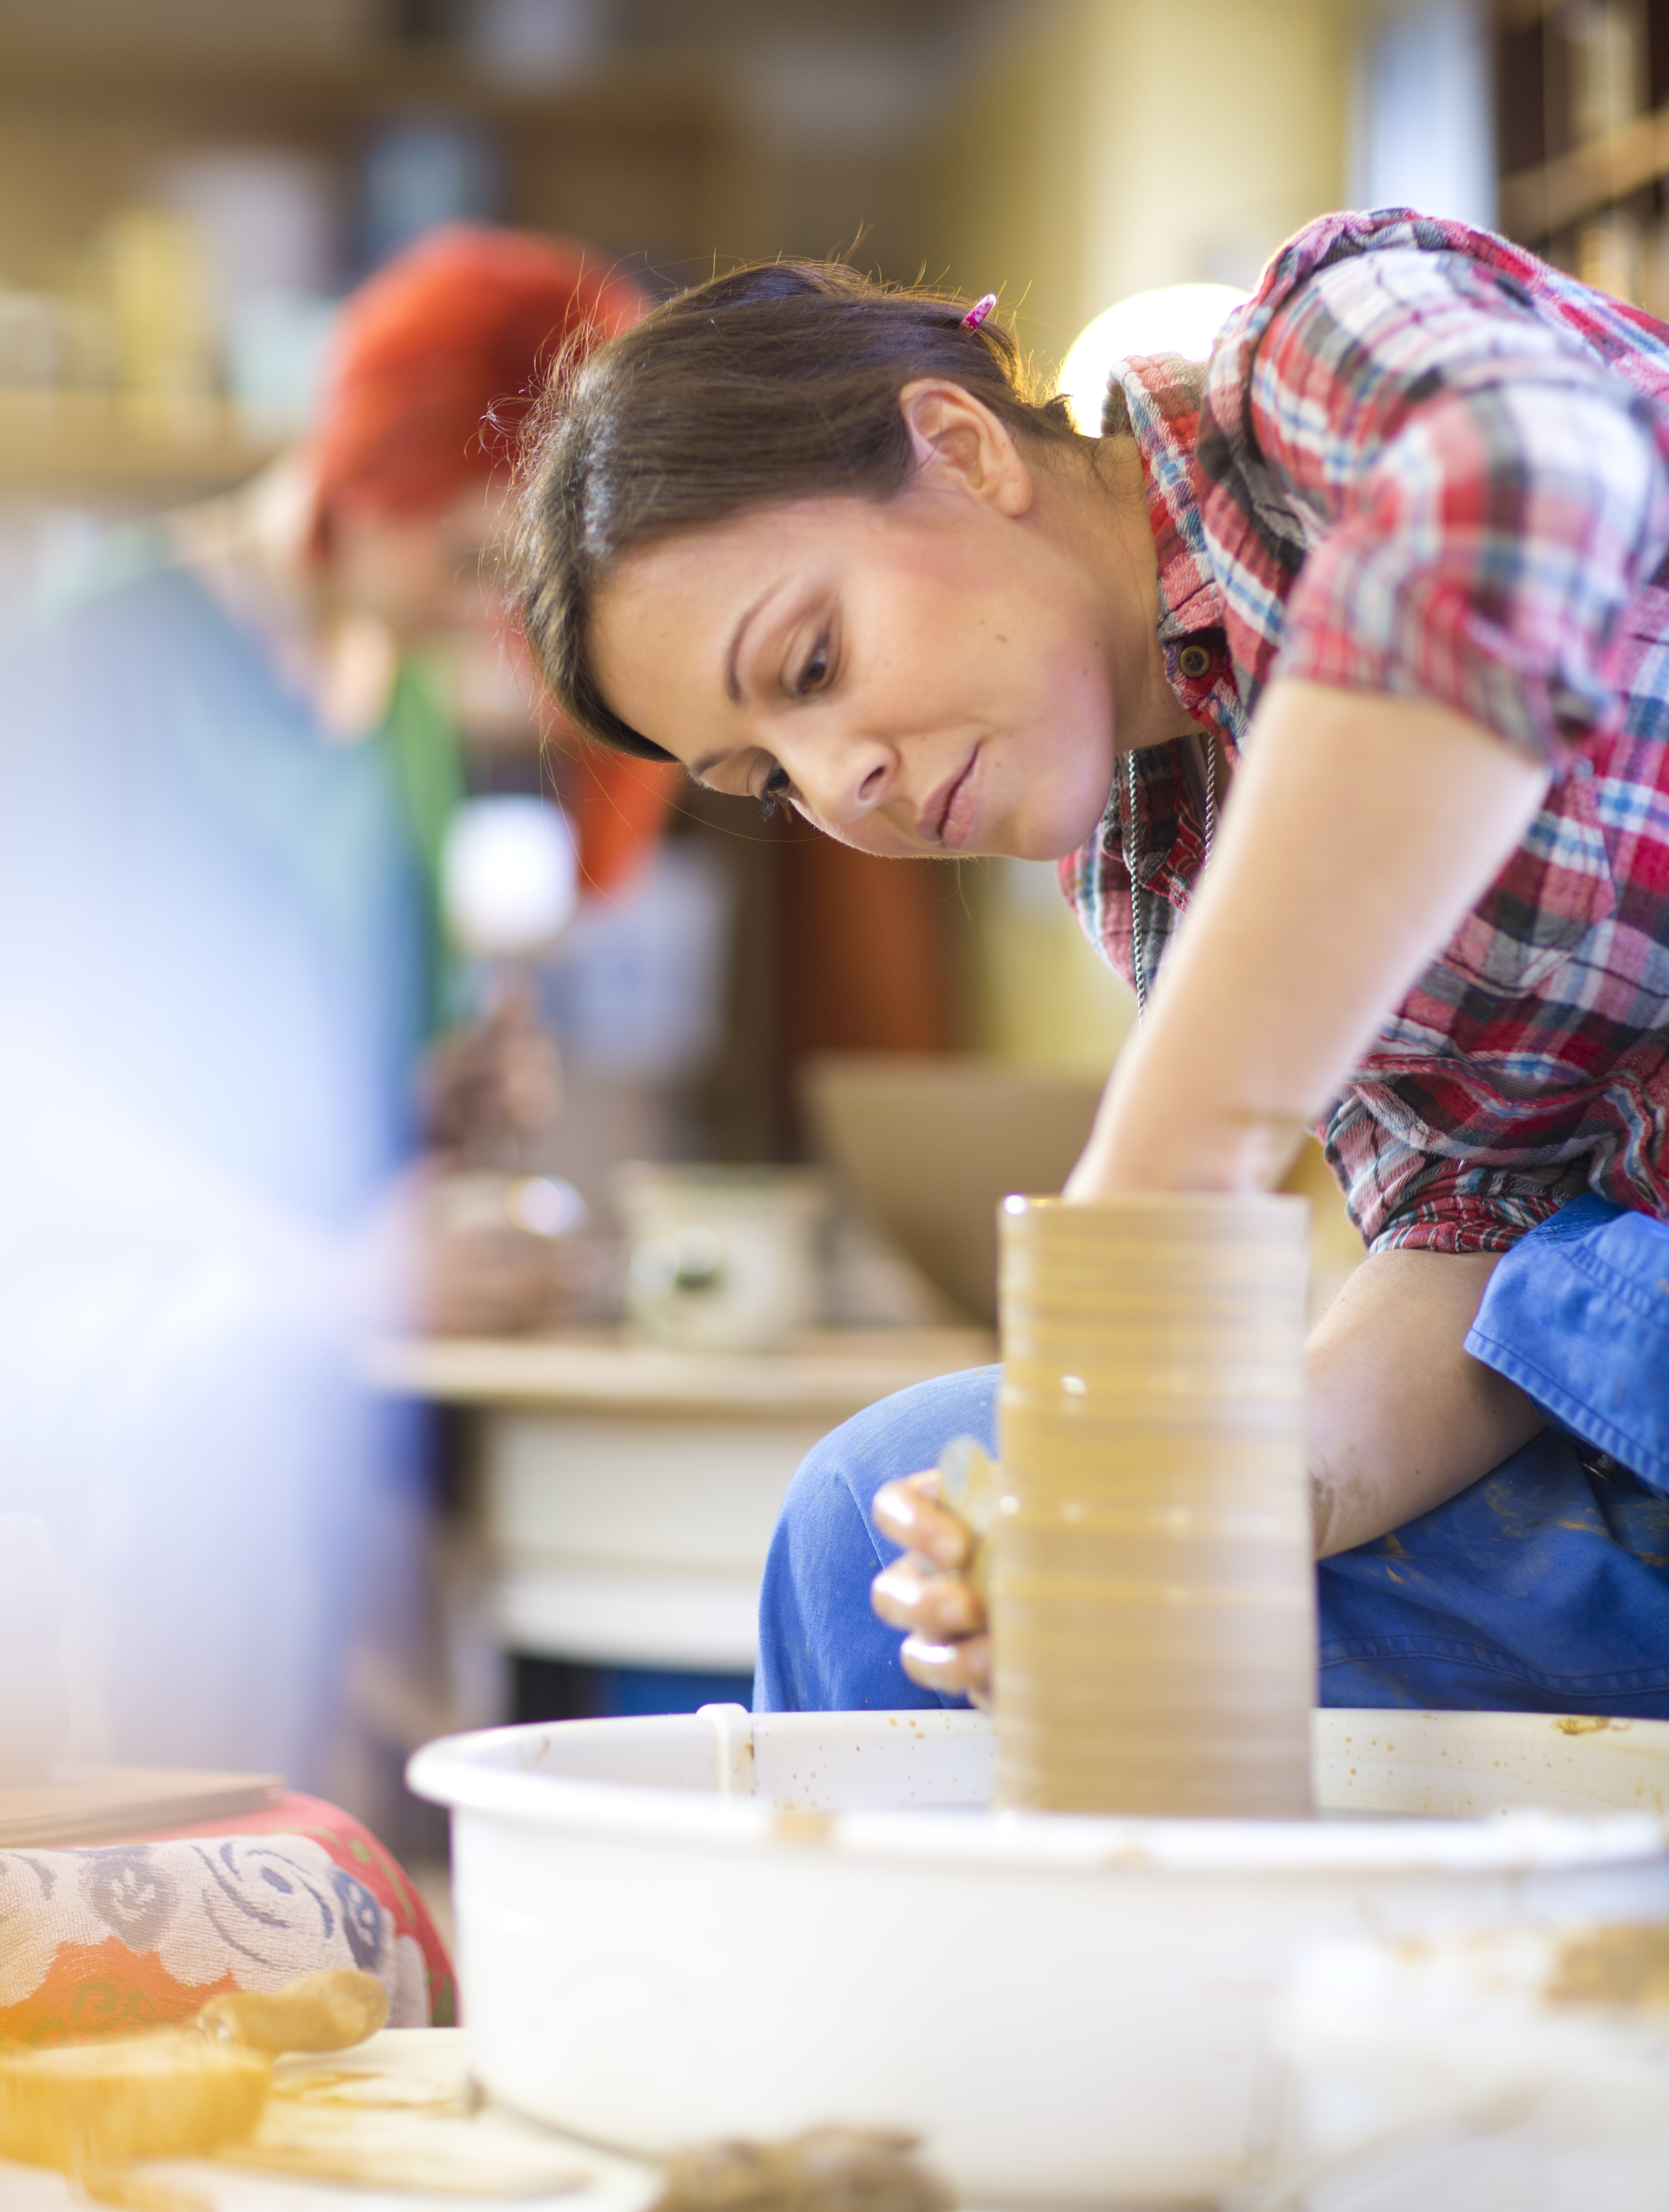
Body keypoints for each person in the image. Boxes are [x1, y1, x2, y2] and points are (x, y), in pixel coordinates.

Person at [509, 207, 1669, 1717]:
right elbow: (1472, 1227)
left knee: (1599, 1294)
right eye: (770, 778)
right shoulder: (1139, 854)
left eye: (812, 666)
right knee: (892, 1524)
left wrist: (1165, 1165)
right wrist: (1233, 1504)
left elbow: (1524, 499)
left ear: (965, 450)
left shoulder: (1328, 348)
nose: (839, 785)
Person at [0, 223, 662, 1794]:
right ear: (375, 466)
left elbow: (305, 1071)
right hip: (124, 1375)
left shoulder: (409, 711)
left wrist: (431, 1097)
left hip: (326, 1366)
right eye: (474, 560)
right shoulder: (93, 660)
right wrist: (324, 1273)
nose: (488, 613)